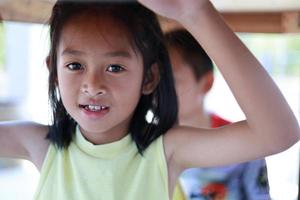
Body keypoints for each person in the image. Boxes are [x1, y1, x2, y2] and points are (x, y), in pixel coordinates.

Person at [0, 1, 299, 199]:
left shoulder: (165, 151)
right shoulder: (40, 143)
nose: (92, 85)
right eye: (75, 66)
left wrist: (197, 13)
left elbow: (278, 134)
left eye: (115, 67)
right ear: (53, 72)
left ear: (149, 79)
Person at [165, 29, 270, 200]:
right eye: (152, 79)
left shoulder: (246, 141)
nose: (159, 91)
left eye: (172, 81)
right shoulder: (144, 142)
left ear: (206, 83)